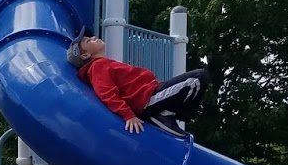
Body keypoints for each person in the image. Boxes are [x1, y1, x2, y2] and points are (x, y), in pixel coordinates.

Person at [67, 31, 207, 137]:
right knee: (197, 78)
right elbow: (106, 92)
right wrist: (128, 115)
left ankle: (164, 113)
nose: (92, 37)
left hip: (151, 92)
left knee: (193, 81)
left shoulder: (105, 64)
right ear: (85, 55)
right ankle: (167, 113)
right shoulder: (97, 67)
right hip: (147, 98)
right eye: (87, 40)